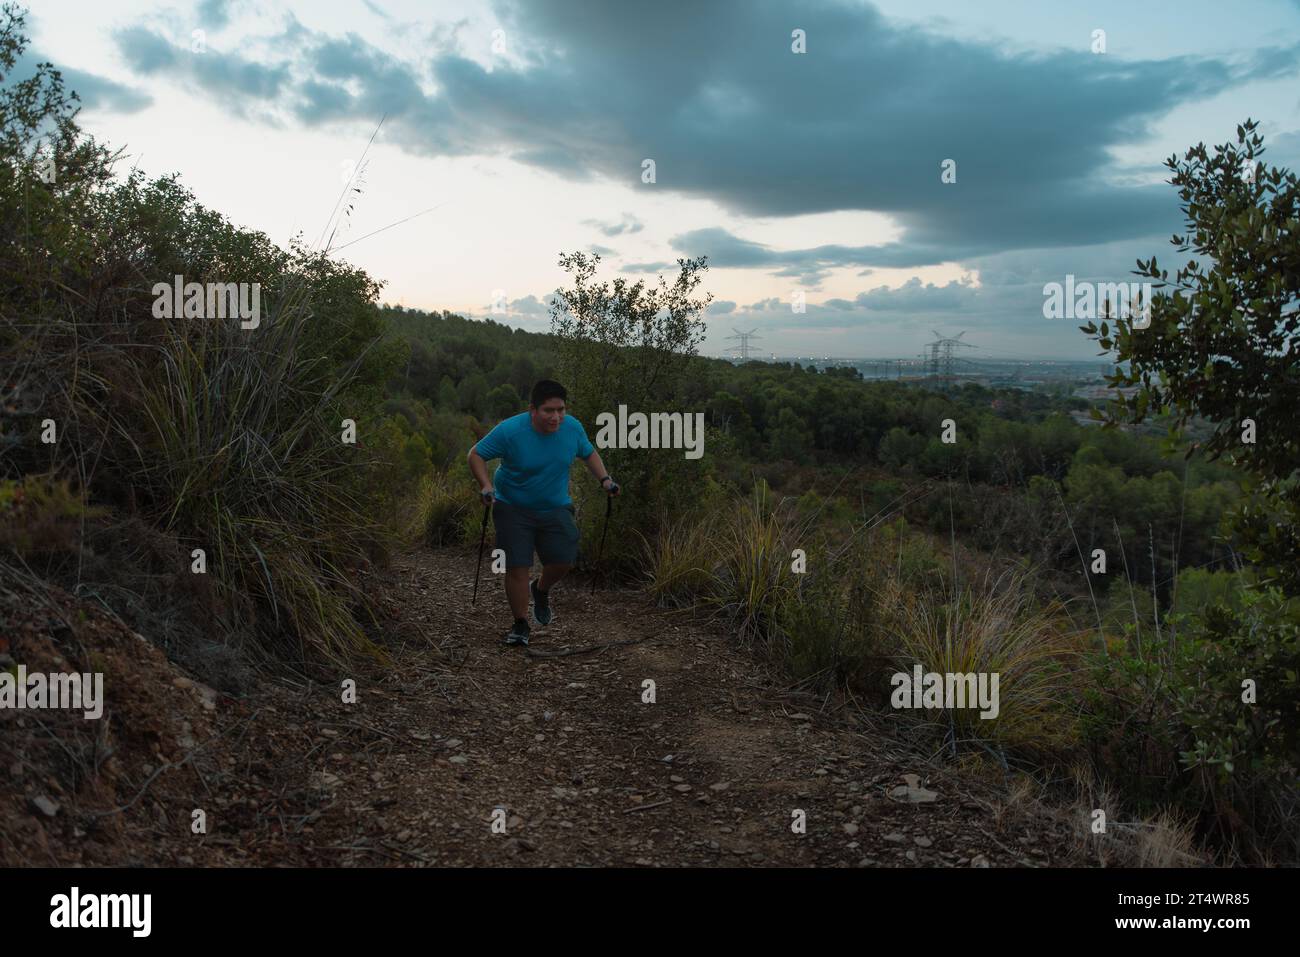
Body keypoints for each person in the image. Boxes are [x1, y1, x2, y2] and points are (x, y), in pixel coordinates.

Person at [467, 379, 620, 646]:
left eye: (560, 409)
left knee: (563, 559)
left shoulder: (572, 428)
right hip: (511, 506)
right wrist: (486, 485)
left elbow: (588, 453)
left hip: (555, 506)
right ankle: (521, 624)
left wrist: (605, 479)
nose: (556, 417)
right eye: (549, 410)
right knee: (517, 566)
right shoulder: (510, 431)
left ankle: (540, 590)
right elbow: (475, 454)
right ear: (533, 410)